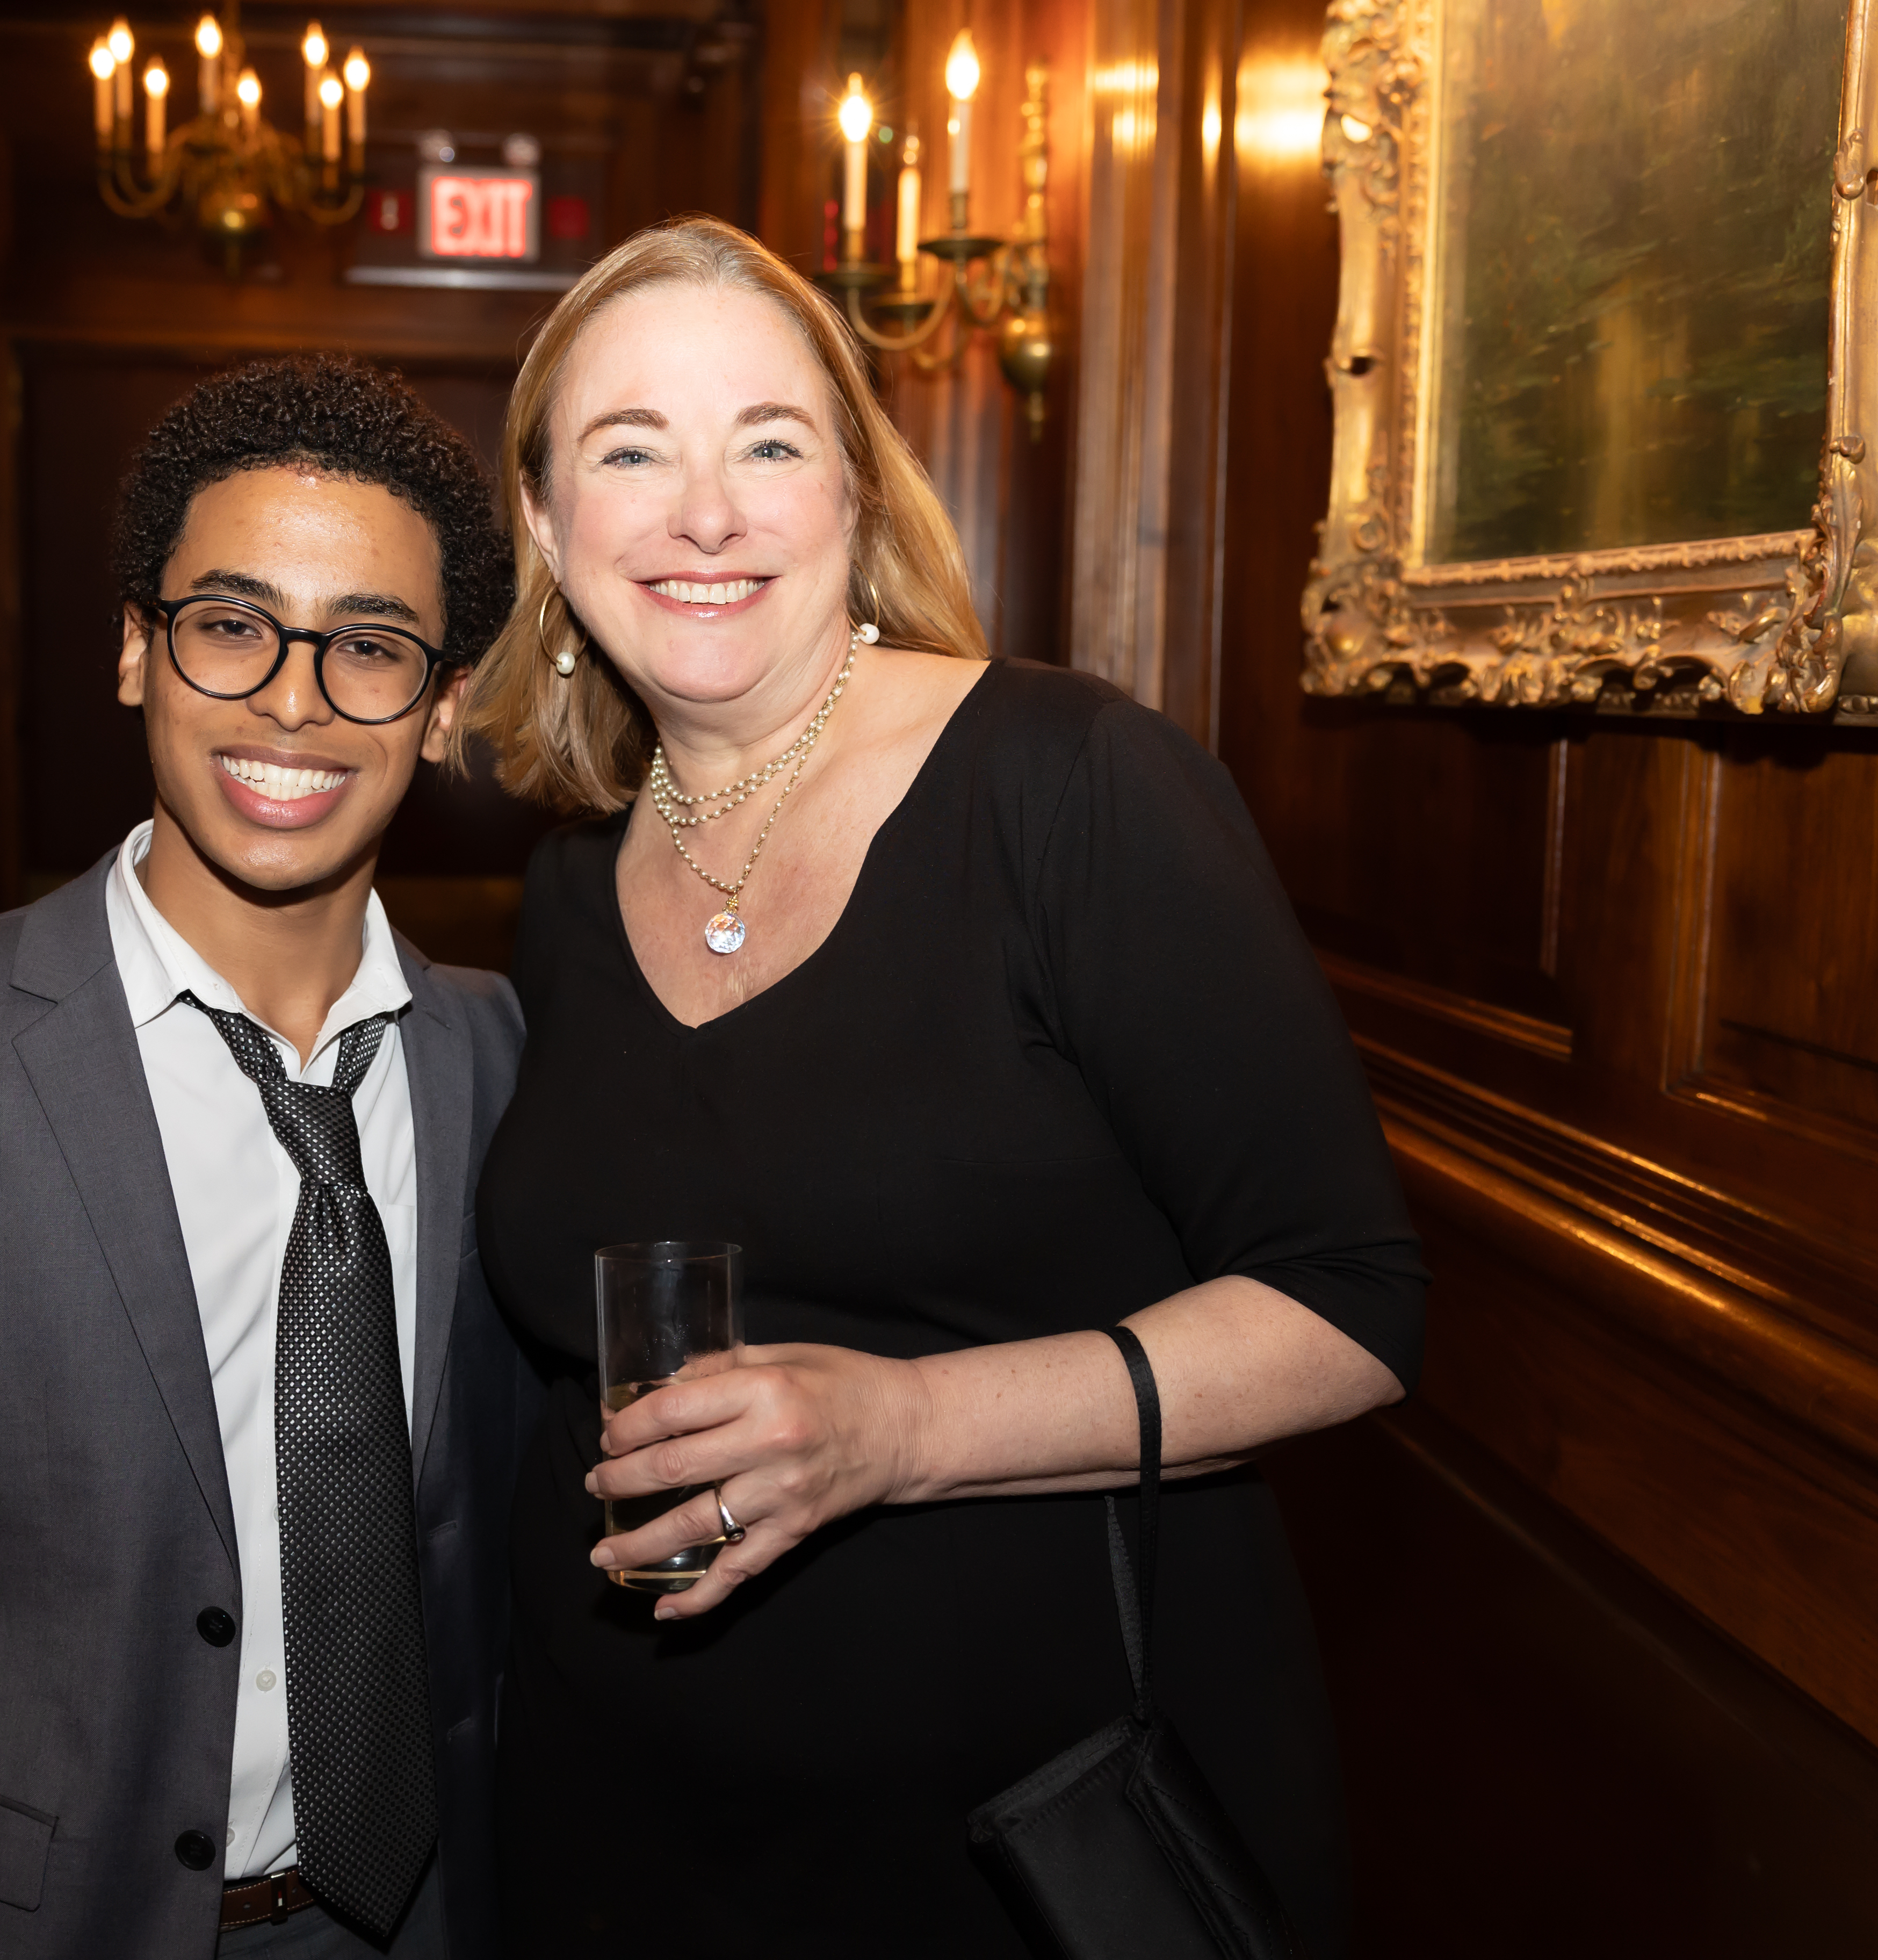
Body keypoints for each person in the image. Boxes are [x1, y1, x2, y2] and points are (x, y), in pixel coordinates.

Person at [458, 217, 1428, 1958]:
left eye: (769, 443)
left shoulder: (1072, 790)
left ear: (855, 496)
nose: (707, 513)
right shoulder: (569, 887)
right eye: (631, 452)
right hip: (627, 1835)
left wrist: (904, 1434)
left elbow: (1352, 1306)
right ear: (545, 523)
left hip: (1024, 1843)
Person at [0, 355, 531, 1960]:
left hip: (423, 1916)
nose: (295, 700)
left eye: (368, 647)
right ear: (137, 652)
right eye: (232, 625)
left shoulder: (499, 1062)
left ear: (440, 715)